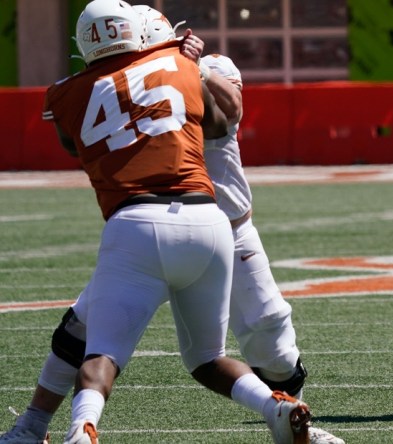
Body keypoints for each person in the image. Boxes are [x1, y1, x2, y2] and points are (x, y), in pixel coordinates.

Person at [0, 4, 343, 444]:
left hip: (141, 224)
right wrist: (184, 69)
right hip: (206, 222)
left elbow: (74, 141)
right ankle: (277, 407)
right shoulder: (180, 66)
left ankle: (80, 431)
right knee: (205, 357)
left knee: (101, 353)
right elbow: (214, 118)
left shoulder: (72, 90)